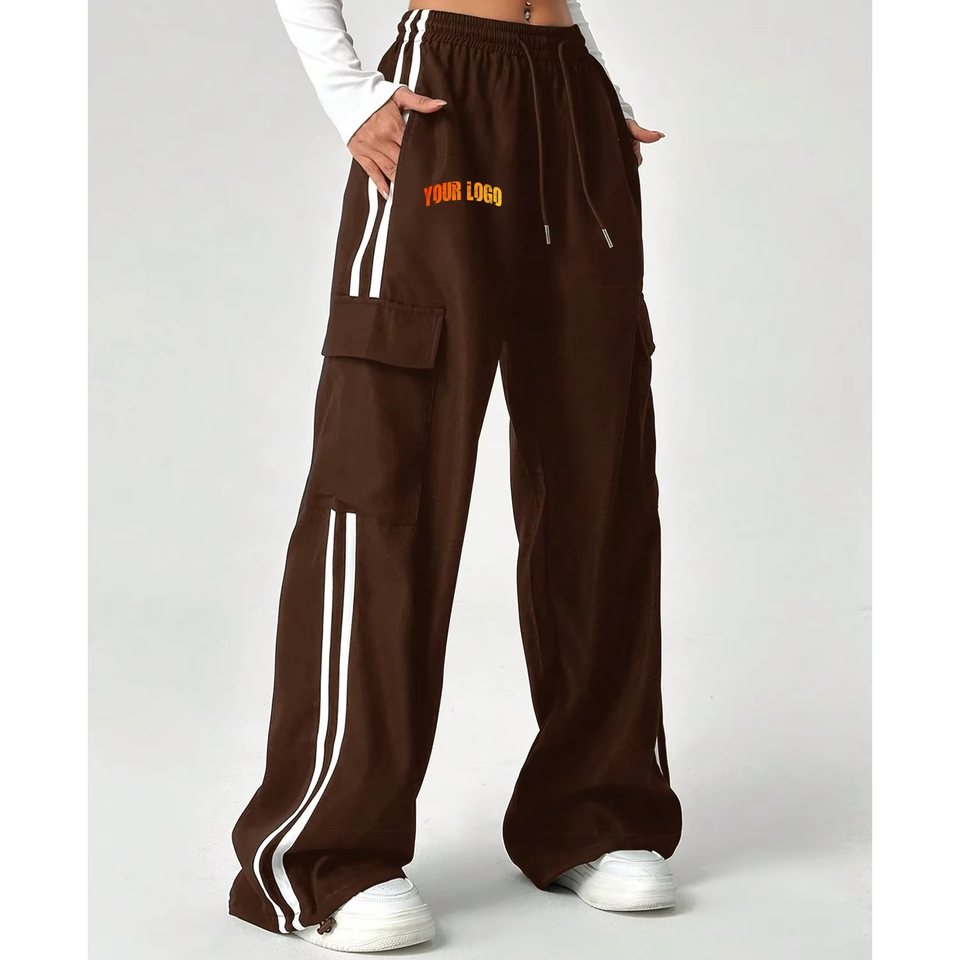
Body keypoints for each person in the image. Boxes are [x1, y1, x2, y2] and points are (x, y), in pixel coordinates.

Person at [228, 1, 681, 952]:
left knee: (599, 472)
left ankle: (594, 812)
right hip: (447, 96)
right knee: (388, 478)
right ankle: (329, 853)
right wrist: (349, 94)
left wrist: (597, 79)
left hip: (570, 100)